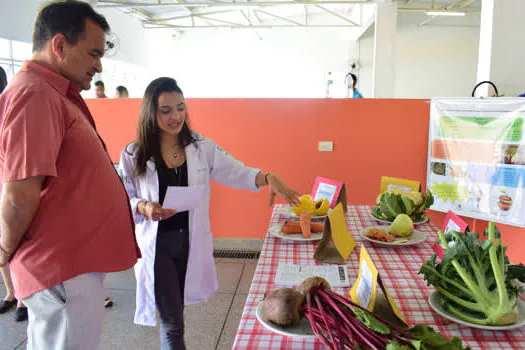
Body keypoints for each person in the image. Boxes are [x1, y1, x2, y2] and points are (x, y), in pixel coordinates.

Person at [120, 77, 301, 349]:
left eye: (180, 107)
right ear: (150, 112)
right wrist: (143, 206)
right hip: (158, 248)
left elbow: (235, 170)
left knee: (178, 314)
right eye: (165, 110)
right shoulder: (134, 153)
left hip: (190, 241)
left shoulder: (200, 147)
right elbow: (123, 196)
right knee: (172, 323)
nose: (176, 116)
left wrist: (267, 177)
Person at [0, 2, 140, 349]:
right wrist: (3, 249)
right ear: (60, 45)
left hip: (72, 265)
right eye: (93, 53)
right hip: (60, 268)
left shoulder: (53, 93)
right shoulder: (34, 93)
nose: (99, 64)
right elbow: (20, 192)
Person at [0, 66, 28, 323]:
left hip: (9, 187)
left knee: (12, 245)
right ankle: (10, 293)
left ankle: (21, 298)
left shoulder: (10, 111)